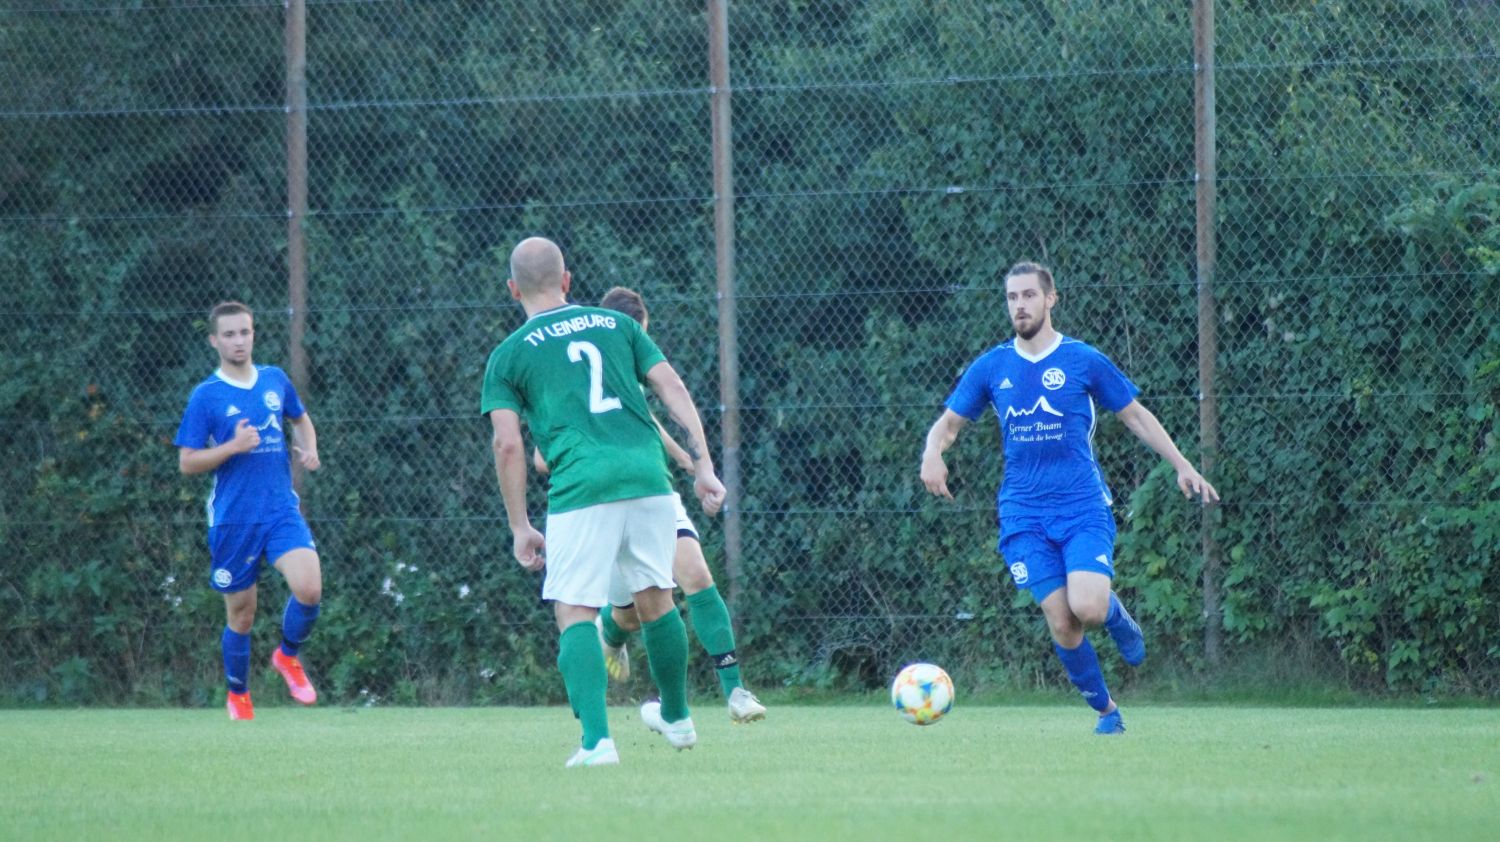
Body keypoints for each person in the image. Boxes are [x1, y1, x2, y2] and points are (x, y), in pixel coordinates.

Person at [919, 261, 1219, 735]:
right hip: (1023, 513)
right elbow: (949, 424)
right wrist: (932, 453)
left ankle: (1116, 615)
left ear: (1050, 298)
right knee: (1062, 621)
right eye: (1012, 297)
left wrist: (1182, 465)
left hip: (1082, 506)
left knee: (1089, 609)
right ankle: (1107, 712)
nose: (1020, 305)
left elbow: (1135, 416)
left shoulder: (1082, 360)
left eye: (1028, 295)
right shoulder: (992, 366)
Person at [482, 237, 727, 768]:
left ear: (512, 289)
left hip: (582, 486)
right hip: (649, 476)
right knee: (657, 597)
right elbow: (671, 386)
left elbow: (508, 445)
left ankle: (597, 743)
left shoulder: (509, 355)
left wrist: (520, 525)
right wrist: (703, 464)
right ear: (567, 280)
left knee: (575, 610)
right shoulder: (618, 324)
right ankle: (678, 716)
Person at [532, 286, 766, 725]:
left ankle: (735, 692)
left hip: (650, 491)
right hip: (598, 502)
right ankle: (611, 633)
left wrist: (692, 463)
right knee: (632, 614)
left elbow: (649, 421)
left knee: (696, 574)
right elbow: (540, 456)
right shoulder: (574, 376)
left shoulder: (627, 369)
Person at [175, 301, 324, 721]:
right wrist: (232, 447)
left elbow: (300, 419)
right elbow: (187, 462)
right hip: (233, 519)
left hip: (280, 511)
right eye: (229, 334)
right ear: (214, 341)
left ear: (253, 334)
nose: (238, 341)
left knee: (309, 588)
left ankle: (287, 656)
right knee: (242, 615)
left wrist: (310, 448)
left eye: (245, 332)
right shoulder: (206, 396)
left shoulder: (274, 379)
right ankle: (239, 696)